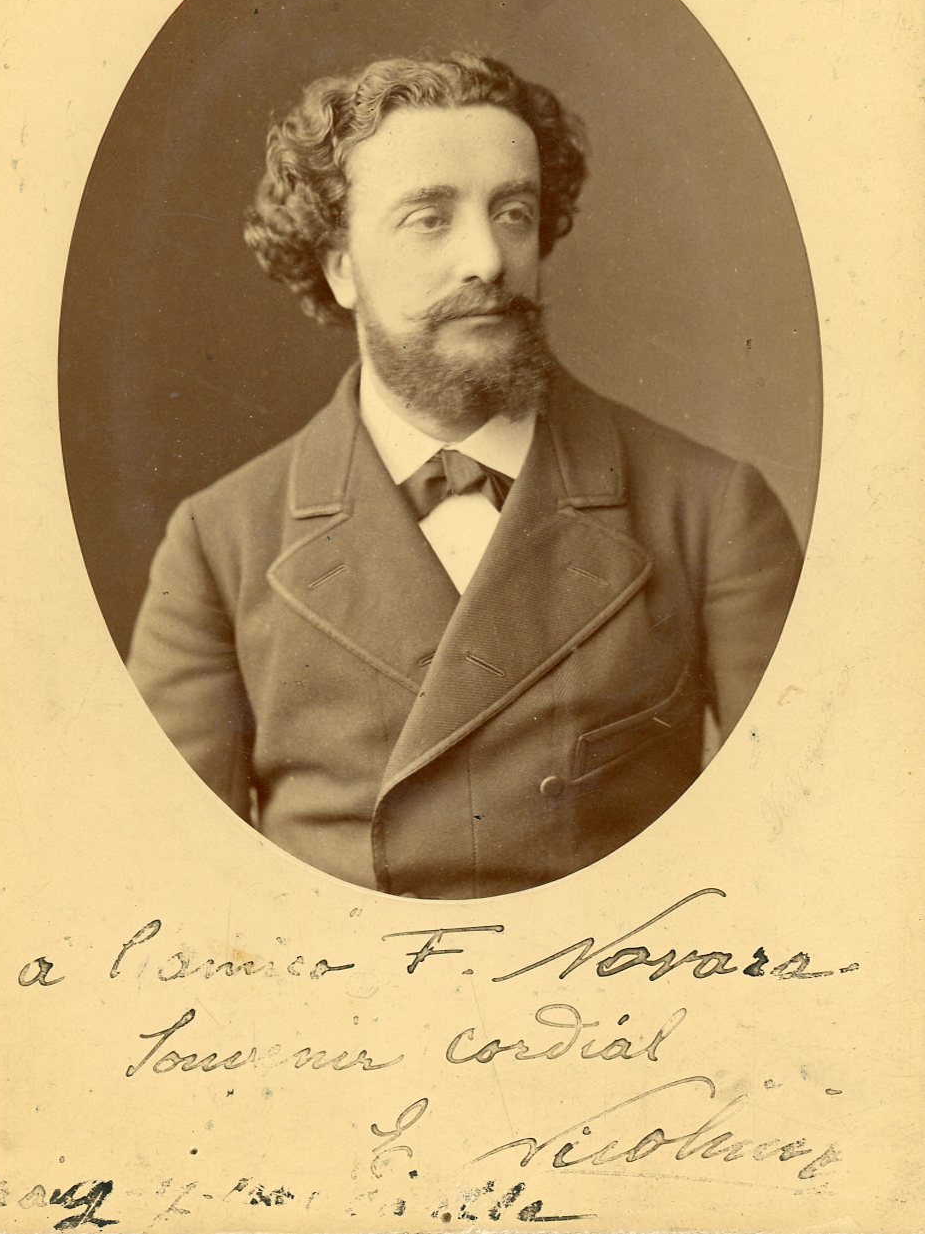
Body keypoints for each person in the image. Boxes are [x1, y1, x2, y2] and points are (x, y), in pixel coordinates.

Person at [127, 51, 802, 900]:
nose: (488, 257)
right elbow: (172, 885)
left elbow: (799, 843)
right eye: (429, 218)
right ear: (340, 266)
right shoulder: (218, 543)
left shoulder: (710, 511)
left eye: (513, 212)